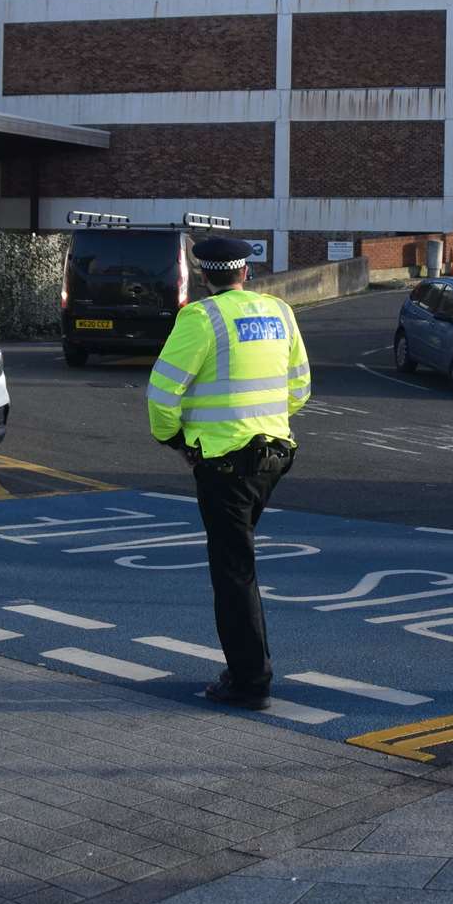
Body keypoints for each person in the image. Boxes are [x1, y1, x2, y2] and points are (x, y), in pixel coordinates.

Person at [147, 237, 310, 711]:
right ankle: (247, 670)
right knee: (239, 560)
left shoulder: (200, 318)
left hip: (224, 463)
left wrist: (175, 441)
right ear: (246, 271)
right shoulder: (280, 312)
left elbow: (161, 396)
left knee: (233, 570)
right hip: (275, 455)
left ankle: (249, 680)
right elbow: (300, 387)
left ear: (204, 275)